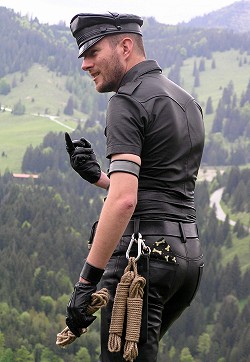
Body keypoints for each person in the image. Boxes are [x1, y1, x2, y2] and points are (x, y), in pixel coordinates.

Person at [65, 11, 205, 362]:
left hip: (141, 262)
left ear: (125, 46)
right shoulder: (187, 102)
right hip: (186, 260)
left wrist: (86, 283)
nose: (85, 64)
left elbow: (125, 201)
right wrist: (99, 177)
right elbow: (159, 188)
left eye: (93, 52)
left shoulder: (126, 101)